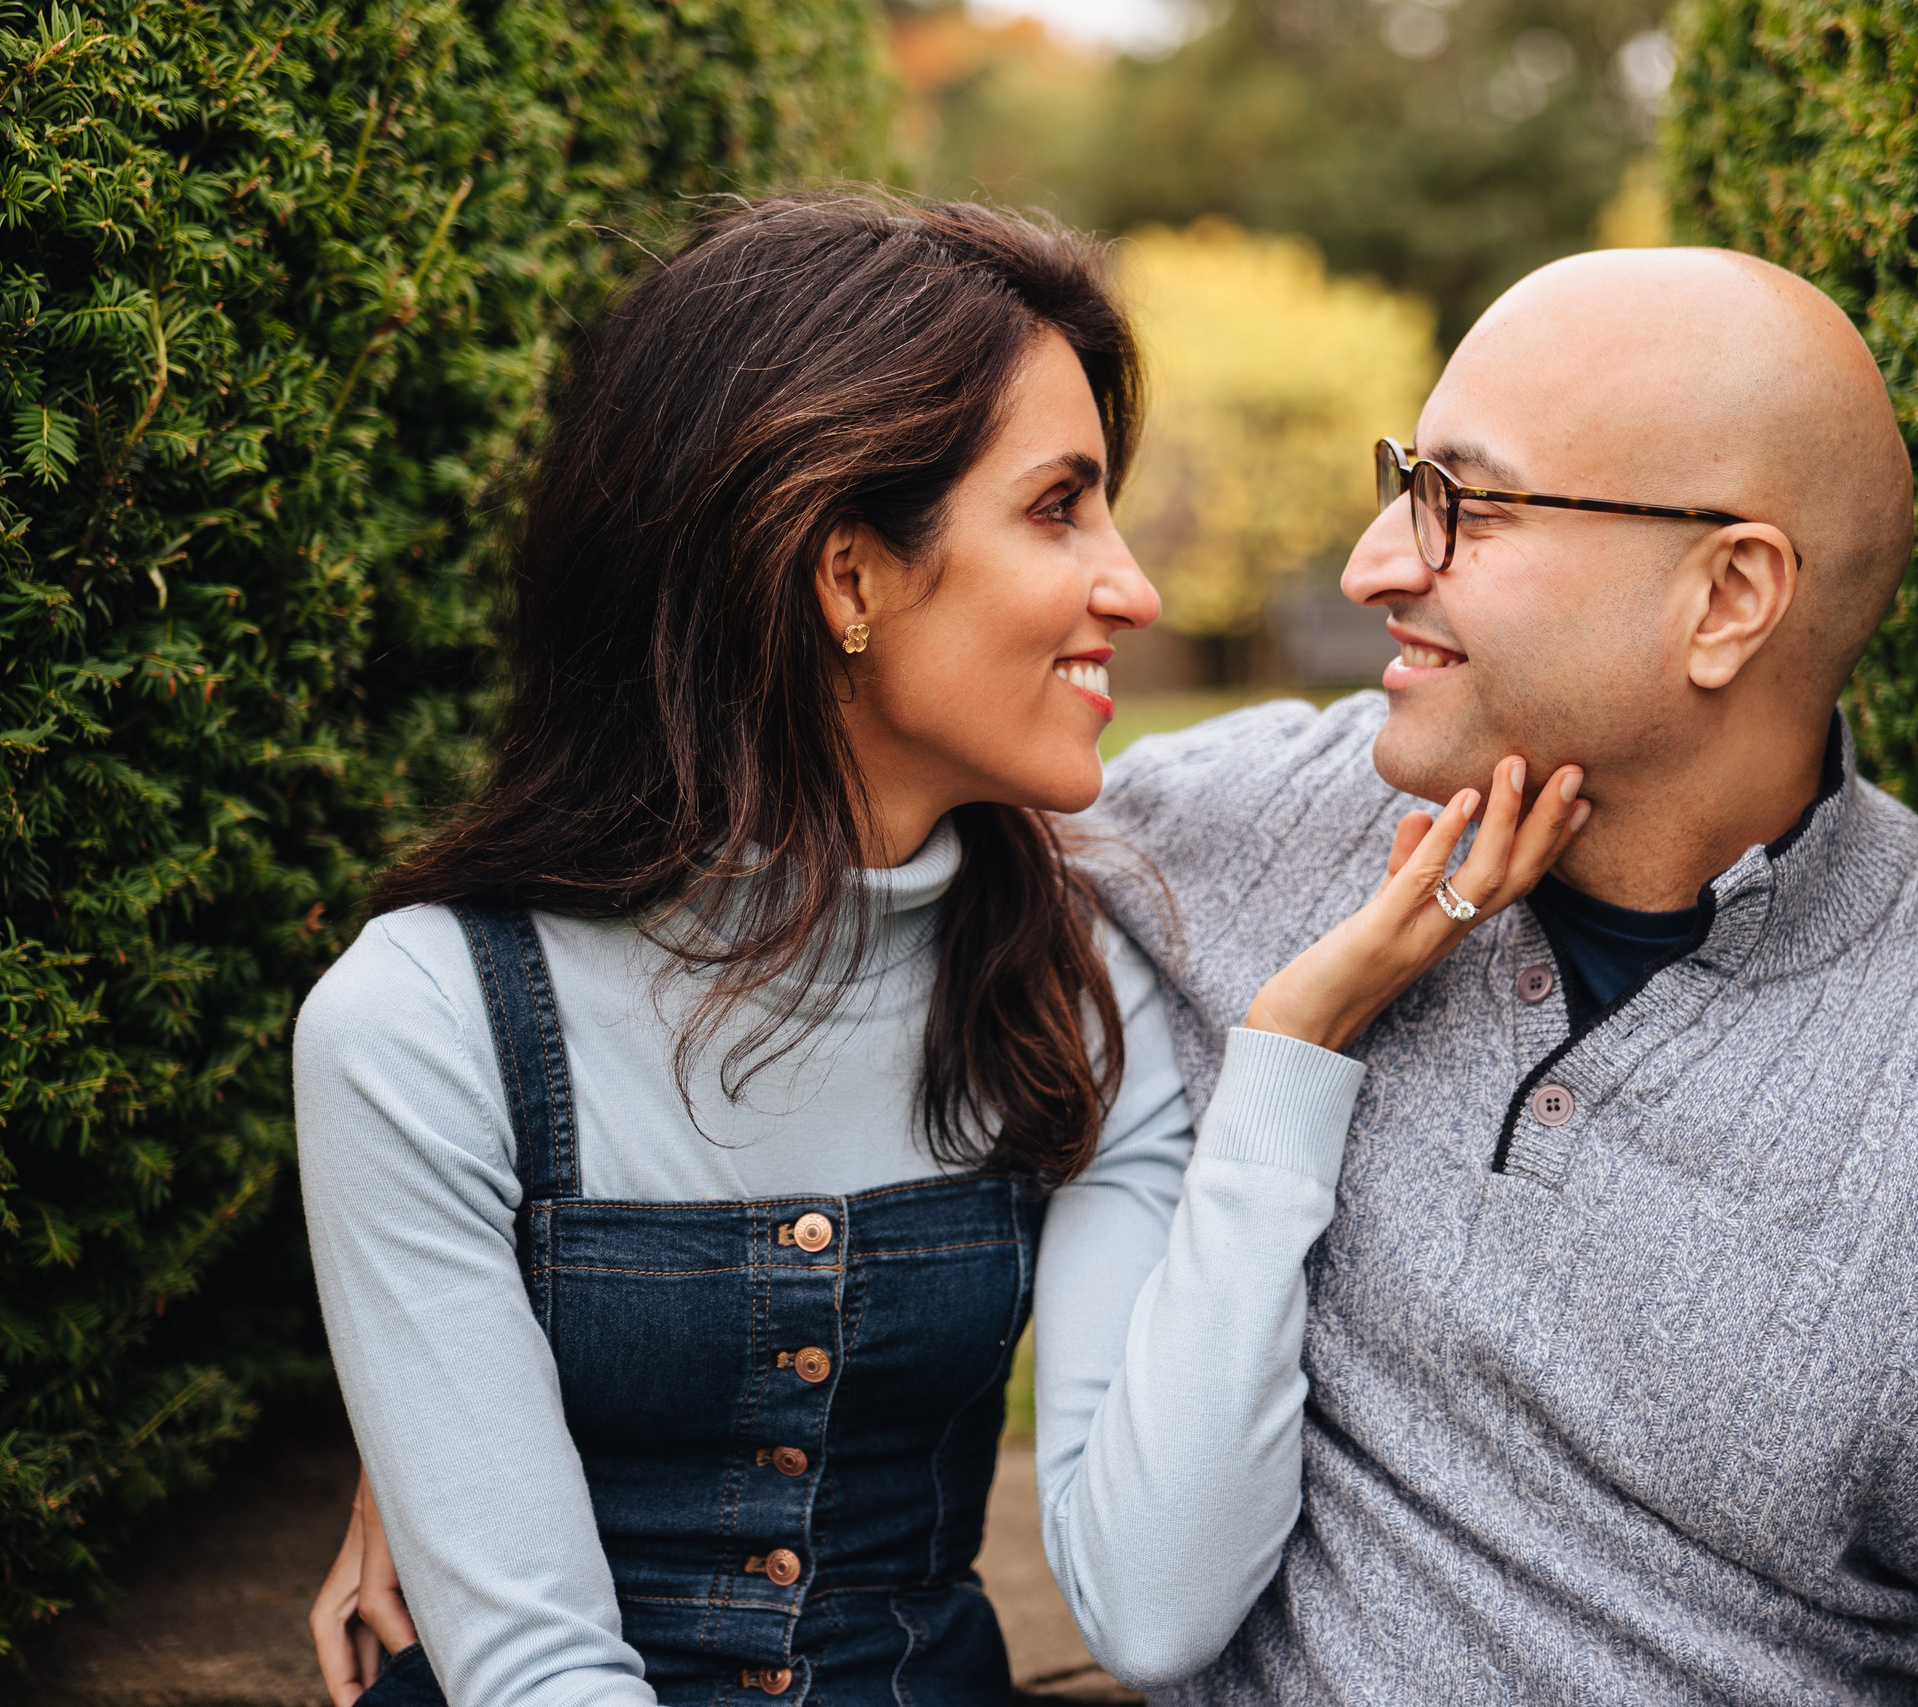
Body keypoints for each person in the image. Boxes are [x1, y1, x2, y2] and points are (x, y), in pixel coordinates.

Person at [293, 193, 1588, 1707]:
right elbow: (534, 1668)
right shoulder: (422, 1022)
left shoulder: (1072, 983)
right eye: (1059, 507)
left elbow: (1152, 1608)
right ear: (845, 576)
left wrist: (1290, 1056)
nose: (1137, 587)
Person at [1047, 248, 1918, 1702]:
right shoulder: (1239, 826)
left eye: (1462, 506)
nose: (1374, 563)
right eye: (1399, 480)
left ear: (1729, 596)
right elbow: (873, 815)